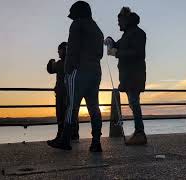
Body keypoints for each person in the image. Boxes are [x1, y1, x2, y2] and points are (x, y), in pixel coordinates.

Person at [55, 1, 104, 152]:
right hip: (95, 71)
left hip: (79, 71)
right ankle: (96, 142)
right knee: (94, 107)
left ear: (78, 14)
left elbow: (73, 49)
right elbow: (100, 54)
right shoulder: (98, 30)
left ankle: (65, 140)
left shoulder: (77, 25)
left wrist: (68, 70)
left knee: (72, 106)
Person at [106, 7, 147, 145]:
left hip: (134, 74)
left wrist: (116, 53)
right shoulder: (128, 34)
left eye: (119, 21)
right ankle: (138, 132)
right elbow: (118, 45)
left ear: (125, 20)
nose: (118, 24)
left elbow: (138, 53)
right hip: (128, 75)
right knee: (133, 102)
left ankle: (140, 133)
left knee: (134, 102)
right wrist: (110, 40)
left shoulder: (138, 33)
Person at [46, 42, 79, 148]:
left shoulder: (61, 64)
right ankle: (73, 135)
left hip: (62, 94)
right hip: (71, 93)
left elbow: (50, 69)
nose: (58, 53)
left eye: (59, 50)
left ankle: (60, 136)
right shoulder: (73, 62)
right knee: (71, 114)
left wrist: (51, 61)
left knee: (61, 115)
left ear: (64, 50)